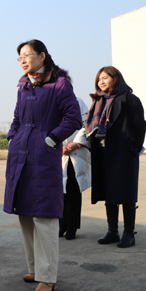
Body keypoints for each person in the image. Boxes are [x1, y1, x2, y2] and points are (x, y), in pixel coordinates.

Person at [4, 40, 81, 291]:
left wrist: (51, 139)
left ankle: (47, 277)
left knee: (44, 216)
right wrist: (12, 137)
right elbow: (17, 117)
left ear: (42, 56)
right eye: (20, 57)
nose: (23, 60)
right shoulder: (23, 85)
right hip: (20, 155)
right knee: (25, 214)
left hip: (44, 155)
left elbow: (73, 118)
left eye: (27, 55)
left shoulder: (59, 84)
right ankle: (34, 269)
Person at [85, 66, 146, 248]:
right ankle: (112, 231)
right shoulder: (99, 101)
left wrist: (133, 147)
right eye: (99, 79)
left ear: (115, 78)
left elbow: (140, 126)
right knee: (108, 190)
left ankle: (129, 233)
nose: (101, 82)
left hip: (124, 152)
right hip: (103, 151)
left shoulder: (129, 99)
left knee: (126, 191)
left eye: (105, 78)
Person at [59, 98, 92, 240]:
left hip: (77, 152)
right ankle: (61, 225)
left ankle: (72, 227)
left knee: (74, 190)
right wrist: (59, 144)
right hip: (59, 153)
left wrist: (77, 143)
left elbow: (87, 123)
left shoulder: (78, 102)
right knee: (60, 192)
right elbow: (48, 125)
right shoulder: (52, 101)